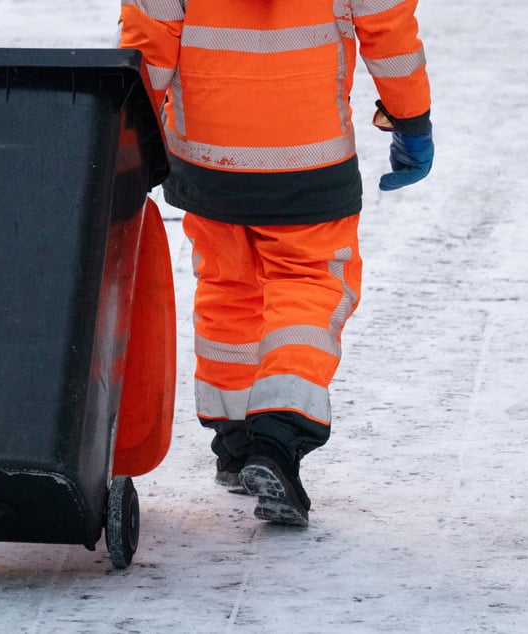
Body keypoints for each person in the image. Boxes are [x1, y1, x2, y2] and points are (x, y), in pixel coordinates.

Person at [119, 0, 433, 526]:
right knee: (310, 285)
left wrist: (127, 137)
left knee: (228, 287)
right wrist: (411, 118)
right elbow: (388, 30)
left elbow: (148, 41)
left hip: (207, 158)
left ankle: (236, 442)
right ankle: (278, 439)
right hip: (308, 156)